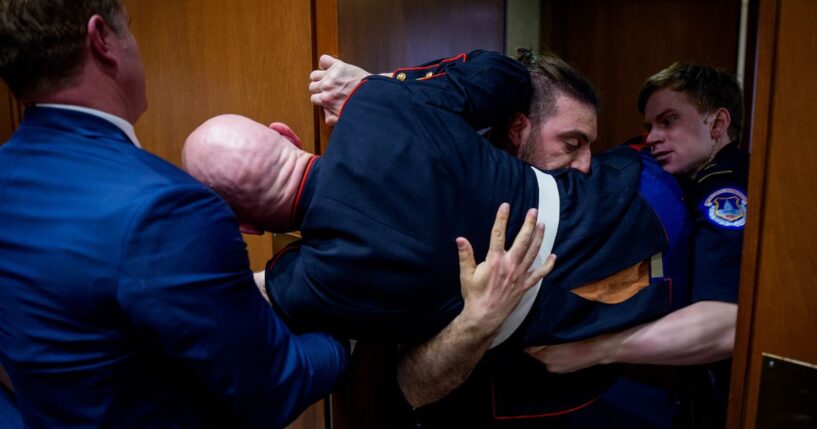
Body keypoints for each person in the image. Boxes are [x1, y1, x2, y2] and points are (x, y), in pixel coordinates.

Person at [185, 50, 691, 423]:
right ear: (284, 135)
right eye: (572, 143)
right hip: (627, 214)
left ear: (247, 226)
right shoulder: (378, 105)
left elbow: (254, 292)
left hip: (575, 314)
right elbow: (504, 76)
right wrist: (375, 84)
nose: (579, 161)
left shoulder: (314, 275)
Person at [0, 1, 348, 427]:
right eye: (128, 29)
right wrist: (344, 328)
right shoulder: (167, 208)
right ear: (102, 40)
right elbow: (274, 386)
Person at [526, 63, 747, 428]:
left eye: (668, 121)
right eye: (650, 126)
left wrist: (592, 351)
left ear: (718, 124)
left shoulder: (725, 188)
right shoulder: (682, 177)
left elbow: (729, 323)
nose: (653, 137)